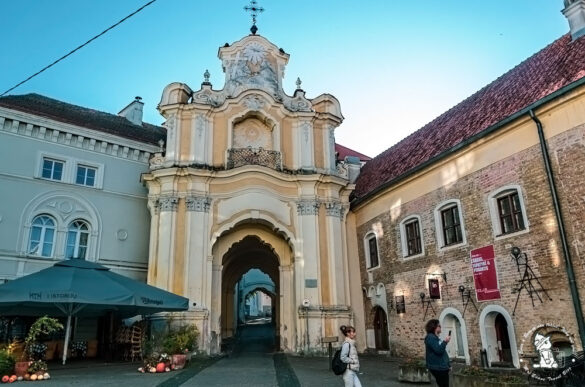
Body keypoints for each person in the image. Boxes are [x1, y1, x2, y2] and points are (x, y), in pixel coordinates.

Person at [424, 319, 451, 387]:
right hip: (438, 368)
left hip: (441, 367)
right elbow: (439, 350)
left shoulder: (434, 337)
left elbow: (442, 352)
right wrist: (445, 341)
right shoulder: (430, 337)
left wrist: (448, 365)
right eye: (439, 326)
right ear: (434, 327)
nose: (440, 327)